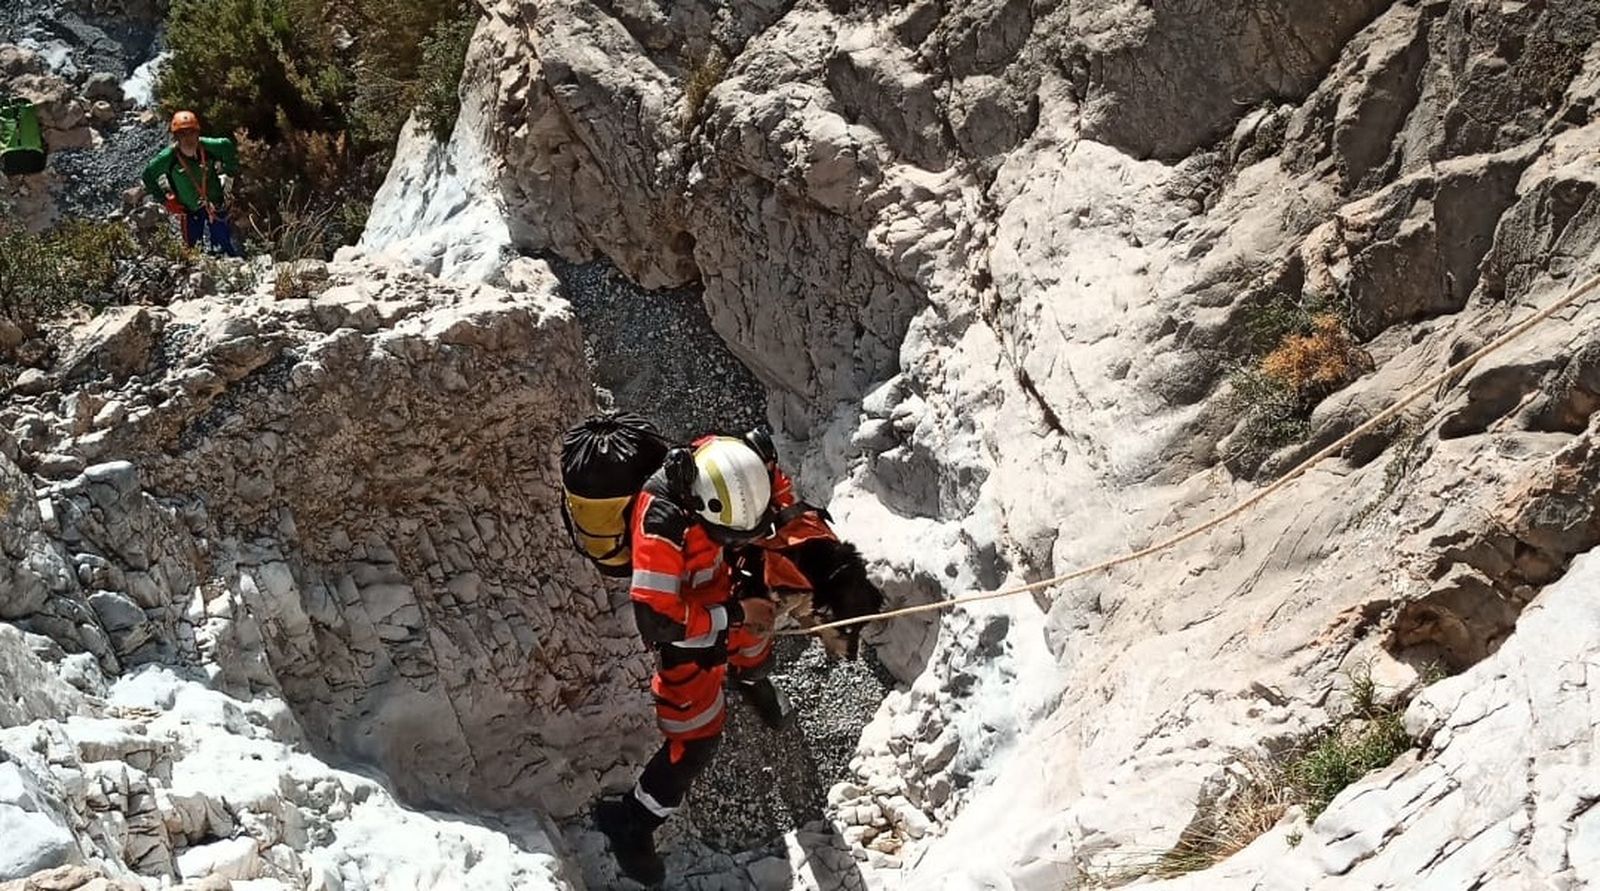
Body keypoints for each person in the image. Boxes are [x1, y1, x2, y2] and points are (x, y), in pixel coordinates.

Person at [595, 430, 798, 884]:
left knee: (754, 642)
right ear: (699, 510)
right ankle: (633, 822)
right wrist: (737, 613)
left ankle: (750, 678)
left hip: (729, 589)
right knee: (695, 742)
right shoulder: (660, 525)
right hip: (692, 632)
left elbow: (777, 501)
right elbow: (657, 621)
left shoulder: (733, 463)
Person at [141, 110, 240, 256]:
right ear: (176, 137)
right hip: (188, 209)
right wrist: (166, 200)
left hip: (215, 204)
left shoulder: (210, 147)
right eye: (182, 134)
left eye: (191, 132)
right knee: (192, 251)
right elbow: (148, 175)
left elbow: (227, 146)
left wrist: (229, 176)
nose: (188, 138)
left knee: (223, 246)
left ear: (197, 133)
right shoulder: (168, 158)